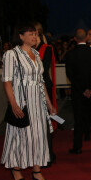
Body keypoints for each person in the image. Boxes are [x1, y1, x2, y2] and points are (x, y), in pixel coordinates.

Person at [1, 24, 55, 180]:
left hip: (38, 102)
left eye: (36, 34)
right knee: (19, 136)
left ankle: (37, 171)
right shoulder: (12, 54)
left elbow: (41, 81)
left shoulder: (37, 54)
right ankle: (16, 168)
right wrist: (13, 104)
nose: (35, 37)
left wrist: (49, 103)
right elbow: (7, 81)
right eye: (31, 34)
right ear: (21, 36)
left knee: (38, 136)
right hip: (21, 101)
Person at [66, 28, 91, 154]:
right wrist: (90, 88)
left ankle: (77, 146)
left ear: (75, 39)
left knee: (78, 118)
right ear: (85, 38)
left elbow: (70, 75)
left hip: (78, 92)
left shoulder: (70, 54)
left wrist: (83, 89)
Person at [33, 21, 57, 165]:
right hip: (31, 89)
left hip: (43, 88)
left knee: (44, 123)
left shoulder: (46, 48)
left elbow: (44, 69)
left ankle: (47, 155)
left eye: (34, 33)